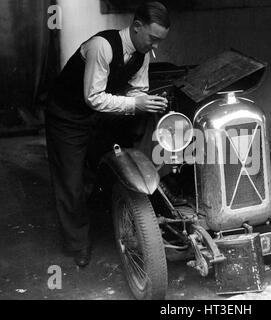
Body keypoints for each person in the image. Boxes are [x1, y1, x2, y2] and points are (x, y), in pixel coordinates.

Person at [45, 2, 170, 267]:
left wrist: (145, 101)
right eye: (153, 38)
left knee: (111, 160)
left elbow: (138, 89)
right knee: (70, 180)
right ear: (137, 27)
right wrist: (135, 104)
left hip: (97, 116)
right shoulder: (102, 46)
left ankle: (119, 211)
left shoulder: (142, 52)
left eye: (159, 41)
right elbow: (94, 98)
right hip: (66, 116)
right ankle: (77, 244)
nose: (155, 46)